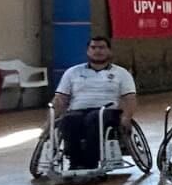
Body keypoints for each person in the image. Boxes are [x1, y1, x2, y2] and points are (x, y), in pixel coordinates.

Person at [52, 35, 138, 168]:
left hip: (108, 111)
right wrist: (50, 122)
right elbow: (60, 98)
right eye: (93, 48)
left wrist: (126, 117)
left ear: (109, 51)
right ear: (88, 51)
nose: (97, 51)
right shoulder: (73, 72)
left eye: (102, 47)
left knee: (93, 119)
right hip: (78, 110)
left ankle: (90, 163)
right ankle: (75, 163)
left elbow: (130, 98)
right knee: (69, 120)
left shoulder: (121, 73)